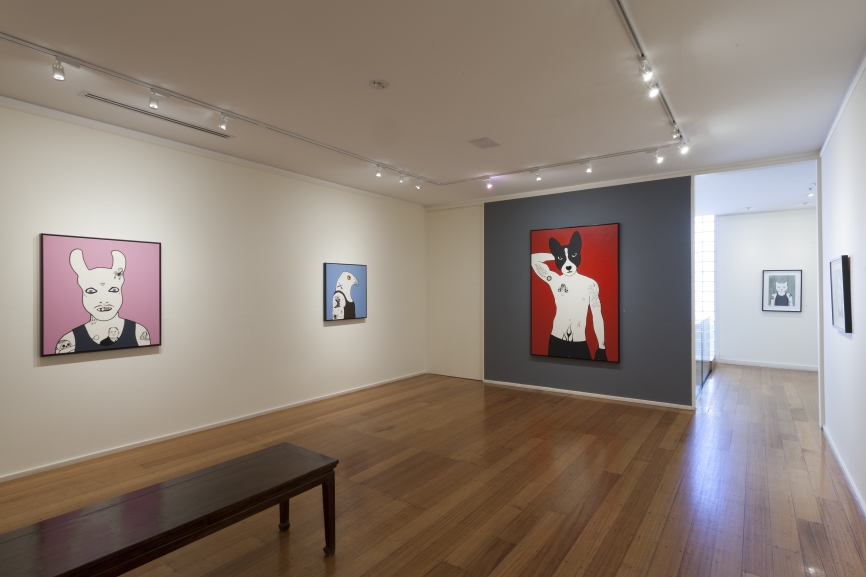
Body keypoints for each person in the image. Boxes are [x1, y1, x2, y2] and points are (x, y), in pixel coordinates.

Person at [55, 249, 151, 353]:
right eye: (91, 291)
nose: (103, 300)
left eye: (113, 290)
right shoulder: (69, 342)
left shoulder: (139, 333)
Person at [531, 231, 606, 360]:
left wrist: (601, 346)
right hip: (556, 340)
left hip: (579, 342)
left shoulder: (590, 284)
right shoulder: (555, 280)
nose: (568, 265)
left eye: (573, 256)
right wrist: (557, 255)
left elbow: (597, 316)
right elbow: (533, 259)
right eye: (562, 259)